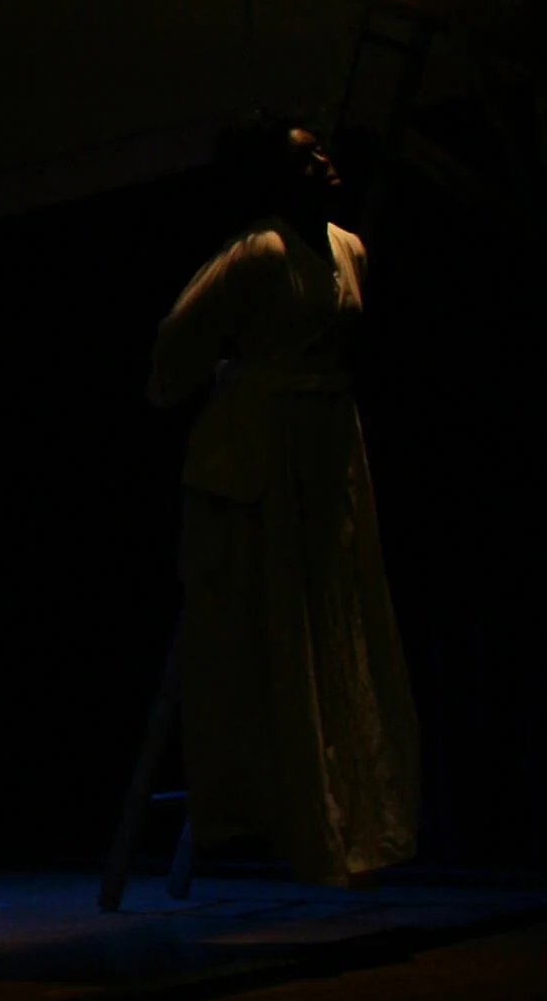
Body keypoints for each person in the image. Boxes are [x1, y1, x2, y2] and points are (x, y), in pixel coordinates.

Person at [148, 119, 420, 888]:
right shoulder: (261, 251)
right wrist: (211, 384)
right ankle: (262, 810)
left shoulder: (347, 247)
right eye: (307, 158)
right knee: (261, 628)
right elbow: (179, 340)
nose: (326, 163)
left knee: (335, 620)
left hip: (325, 447)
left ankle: (347, 811)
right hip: (261, 450)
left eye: (324, 151)